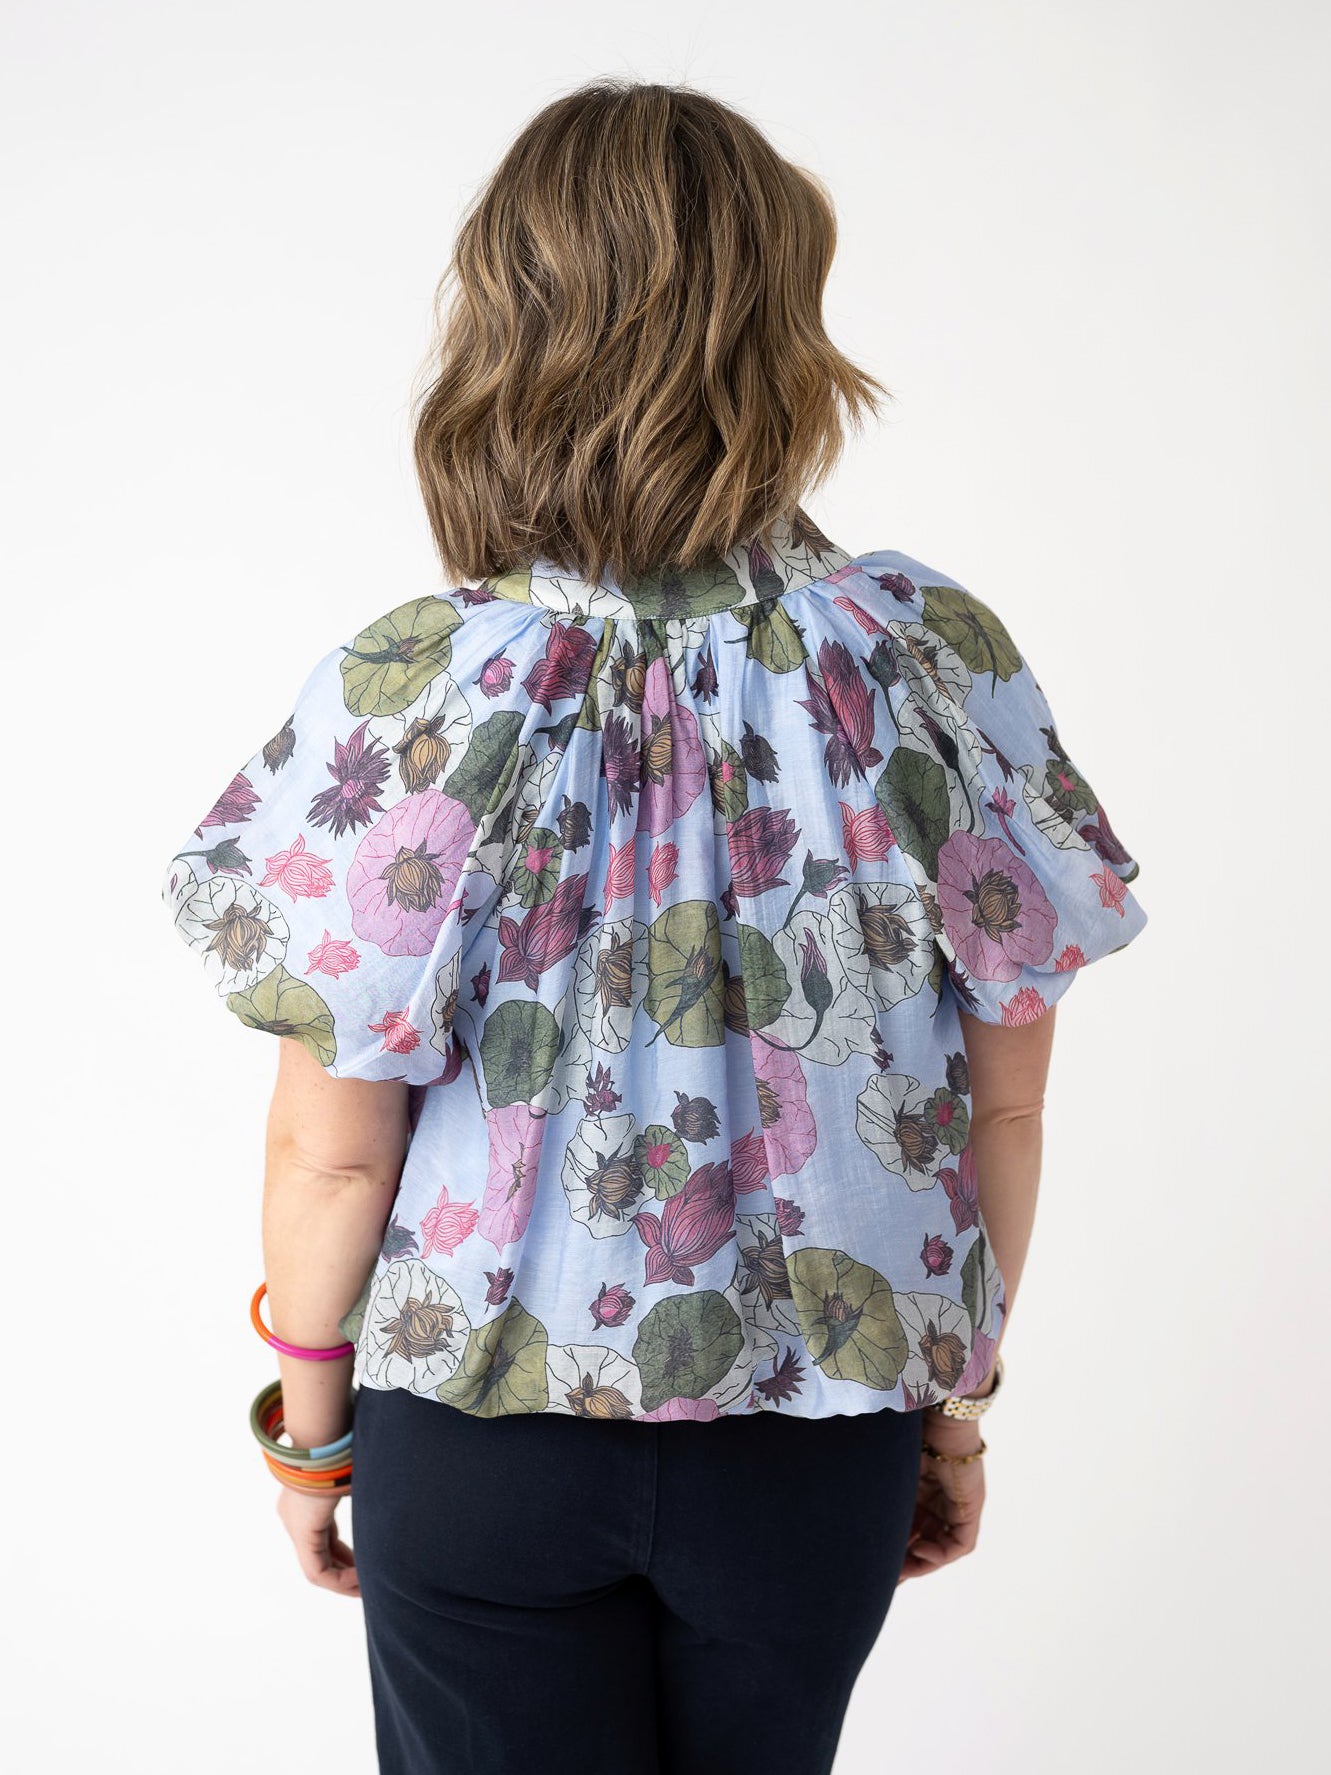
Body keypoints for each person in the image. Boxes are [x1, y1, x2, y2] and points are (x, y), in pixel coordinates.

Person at [163, 77, 1147, 1775]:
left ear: (507, 330)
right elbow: (1003, 1108)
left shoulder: (418, 683)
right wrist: (953, 1416)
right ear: (785, 334)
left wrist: (310, 1439)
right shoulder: (927, 655)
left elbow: (330, 1152)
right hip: (815, 1442)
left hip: (477, 1443)